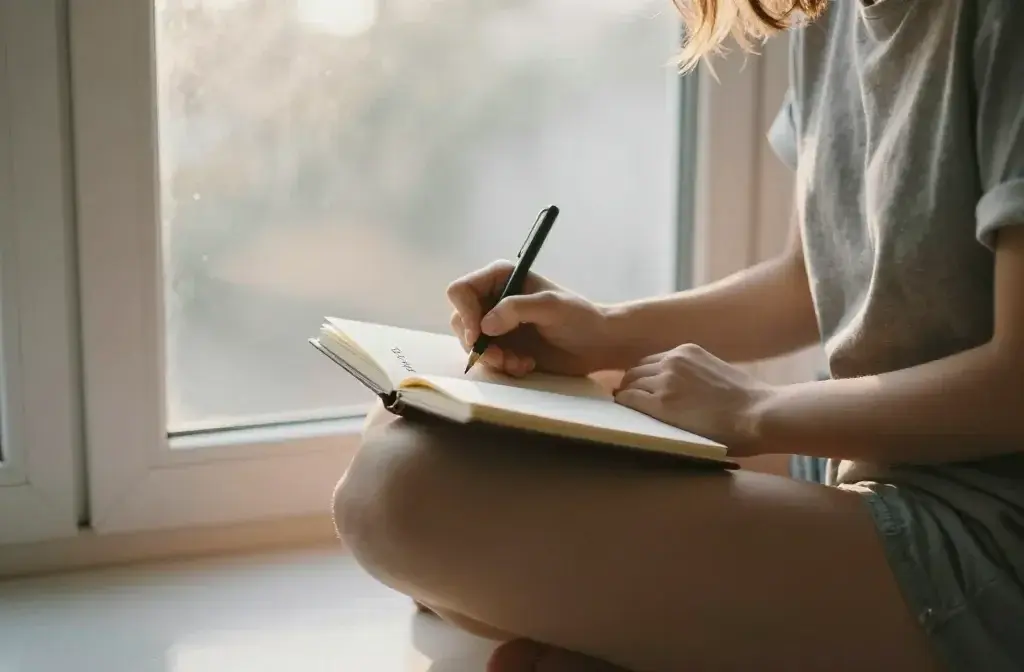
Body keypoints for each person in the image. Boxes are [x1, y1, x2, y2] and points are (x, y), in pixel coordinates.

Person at [334, 0, 1024, 669]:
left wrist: (756, 412)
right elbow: (810, 275)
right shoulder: (832, 15)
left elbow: (1015, 388)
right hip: (865, 457)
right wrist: (606, 333)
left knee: (404, 496)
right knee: (419, 429)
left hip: (992, 539)